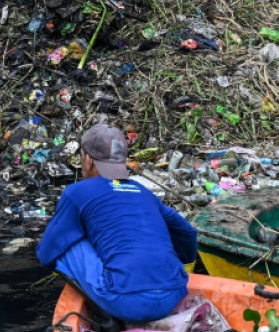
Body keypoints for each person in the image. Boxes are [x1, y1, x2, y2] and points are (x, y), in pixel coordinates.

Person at [36, 123, 198, 324]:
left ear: (88, 160)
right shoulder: (142, 191)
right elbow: (187, 232)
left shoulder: (77, 192)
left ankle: (107, 313)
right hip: (173, 294)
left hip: (125, 302)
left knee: (66, 242)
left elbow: (46, 254)